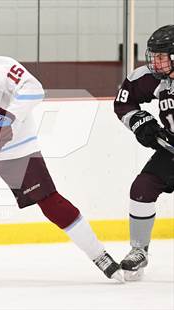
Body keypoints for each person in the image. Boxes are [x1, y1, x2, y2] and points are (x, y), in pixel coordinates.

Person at [0, 26, 123, 282]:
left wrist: (7, 119)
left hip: (16, 150)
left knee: (51, 203)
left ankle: (100, 256)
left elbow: (32, 86)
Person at [114, 24, 174, 281]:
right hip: (171, 151)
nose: (155, 63)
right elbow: (123, 102)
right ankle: (139, 250)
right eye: (154, 56)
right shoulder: (152, 78)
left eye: (161, 57)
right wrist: (142, 123)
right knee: (142, 188)